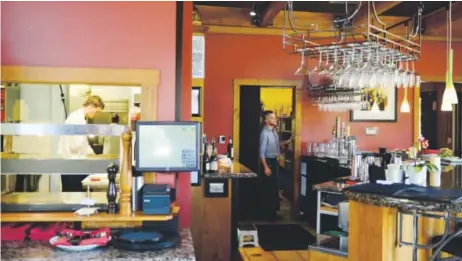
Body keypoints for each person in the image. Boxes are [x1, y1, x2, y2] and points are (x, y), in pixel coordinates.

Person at [57, 95, 105, 192]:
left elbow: (83, 143)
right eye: (97, 111)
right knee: (74, 196)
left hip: (72, 164)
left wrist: (92, 154)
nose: (96, 114)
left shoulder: (78, 117)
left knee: (73, 195)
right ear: (91, 105)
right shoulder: (77, 119)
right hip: (73, 165)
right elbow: (76, 145)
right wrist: (89, 155)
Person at [259, 110, 291, 220]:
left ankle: (274, 212)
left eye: (275, 117)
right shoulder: (264, 134)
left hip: (274, 161)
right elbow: (261, 153)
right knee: (269, 189)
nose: (275, 119)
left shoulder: (274, 132)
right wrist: (265, 167)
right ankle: (269, 214)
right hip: (268, 162)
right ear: (266, 121)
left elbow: (277, 145)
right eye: (272, 118)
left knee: (274, 188)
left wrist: (288, 141)